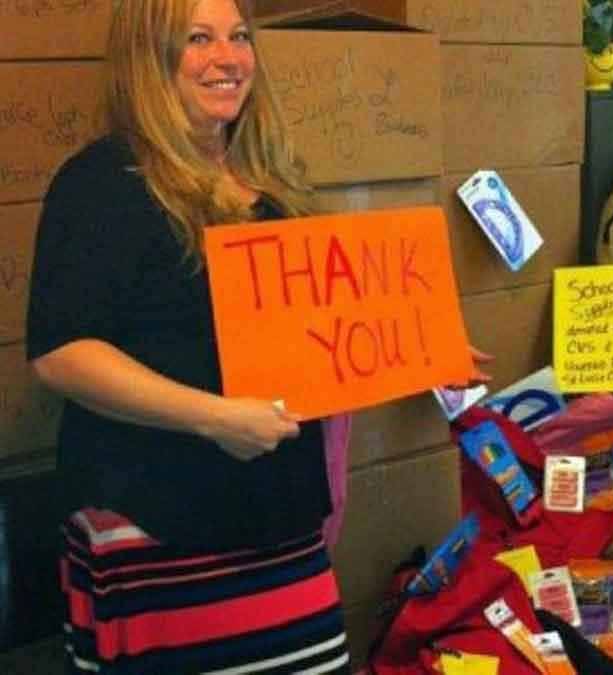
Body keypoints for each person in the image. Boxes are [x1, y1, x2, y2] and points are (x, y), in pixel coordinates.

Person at [26, 0, 490, 672]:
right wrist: (213, 417)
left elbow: (318, 342)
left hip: (281, 535)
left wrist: (418, 352)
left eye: (240, 36)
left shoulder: (275, 188)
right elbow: (62, 354)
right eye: (198, 39)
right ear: (148, 59)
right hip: (158, 535)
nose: (228, 57)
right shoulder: (103, 183)